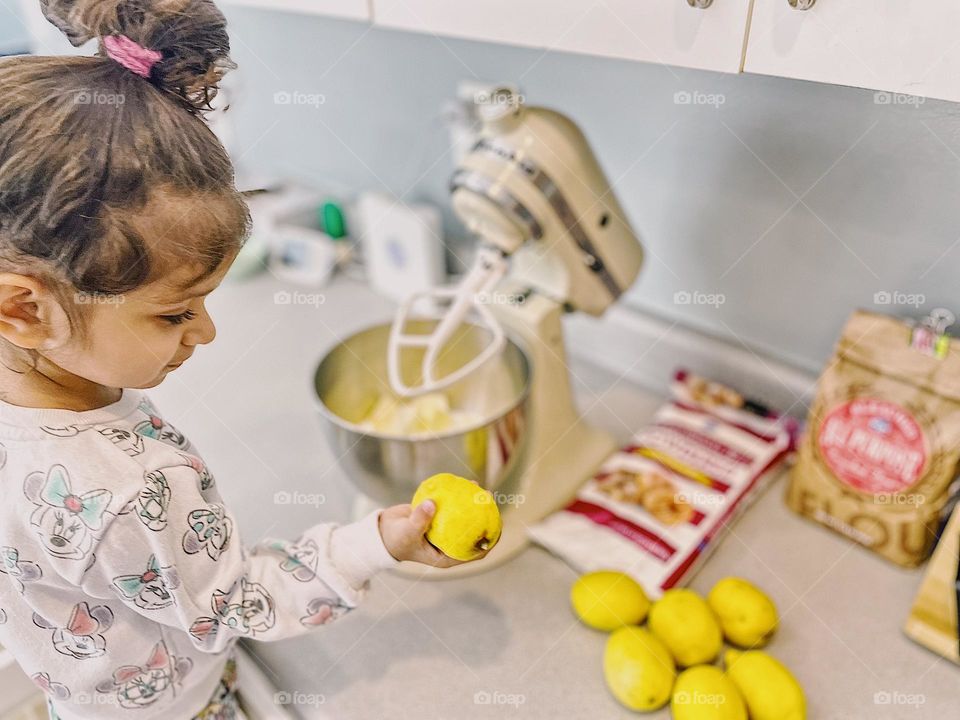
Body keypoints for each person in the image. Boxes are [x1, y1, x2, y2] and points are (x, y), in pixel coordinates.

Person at [0, 2, 472, 718]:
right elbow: (236, 603)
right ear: (25, 310)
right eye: (175, 311)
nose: (208, 333)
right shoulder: (133, 491)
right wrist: (377, 544)